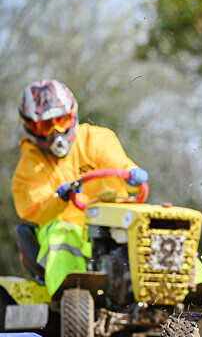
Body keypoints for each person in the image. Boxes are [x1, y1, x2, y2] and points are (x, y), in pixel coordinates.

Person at [12, 79, 150, 295]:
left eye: (61, 121)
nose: (55, 132)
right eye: (45, 125)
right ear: (31, 127)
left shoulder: (97, 139)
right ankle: (68, 294)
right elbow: (31, 208)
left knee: (153, 226)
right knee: (60, 234)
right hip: (65, 228)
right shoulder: (30, 163)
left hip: (108, 224)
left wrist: (130, 174)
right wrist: (59, 200)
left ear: (72, 115)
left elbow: (118, 165)